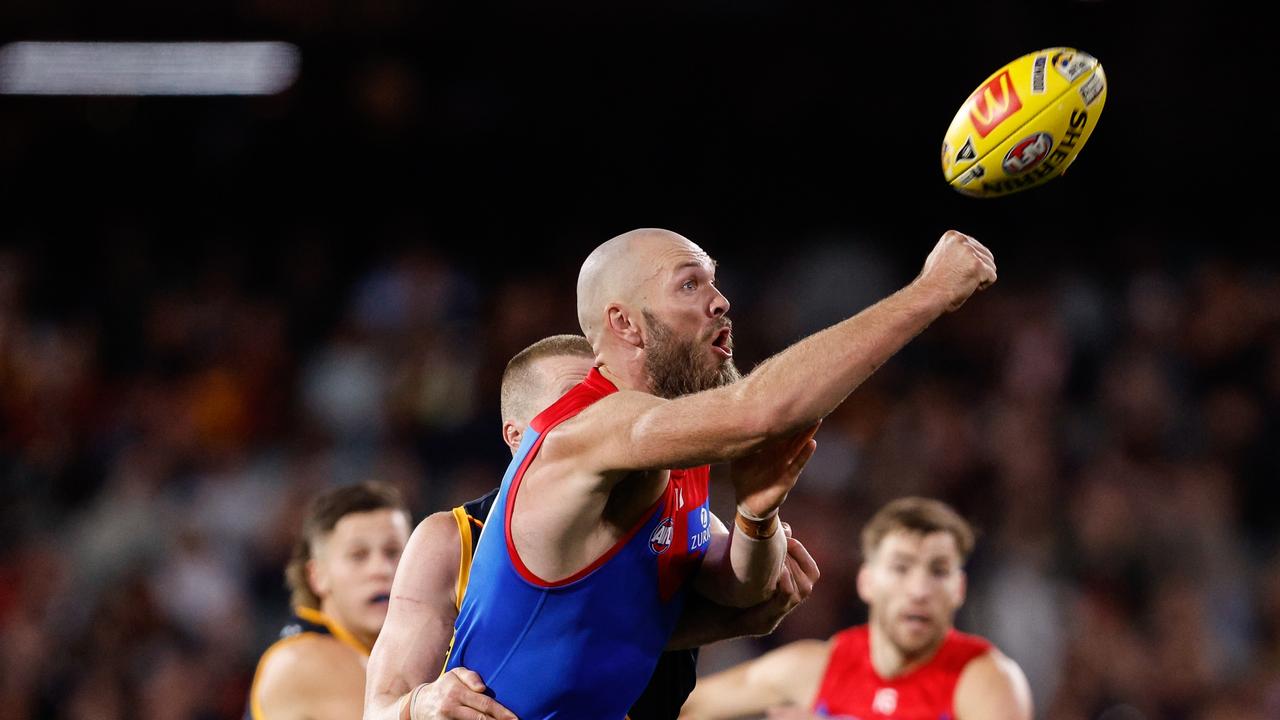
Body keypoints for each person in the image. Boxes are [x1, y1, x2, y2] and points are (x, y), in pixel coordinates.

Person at [438, 228, 997, 719]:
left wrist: (757, 514)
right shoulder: (587, 428)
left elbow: (746, 591)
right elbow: (763, 409)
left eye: (714, 282)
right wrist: (929, 293)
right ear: (624, 323)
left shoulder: (671, 446)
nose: (721, 302)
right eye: (690, 285)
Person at [365, 335, 822, 720]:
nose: (603, 419)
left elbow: (750, 587)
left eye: (610, 402)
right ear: (518, 436)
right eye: (576, 408)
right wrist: (421, 703)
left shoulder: (686, 517)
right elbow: (379, 710)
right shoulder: (454, 539)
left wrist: (759, 519)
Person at [678, 497, 1033, 720]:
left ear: (959, 589)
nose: (920, 590)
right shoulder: (816, 668)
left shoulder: (985, 680)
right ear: (866, 581)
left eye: (939, 571)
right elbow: (680, 708)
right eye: (901, 567)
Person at [247, 481, 412, 720]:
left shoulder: (380, 653)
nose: (382, 569)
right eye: (358, 556)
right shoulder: (304, 659)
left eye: (393, 552)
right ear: (317, 576)